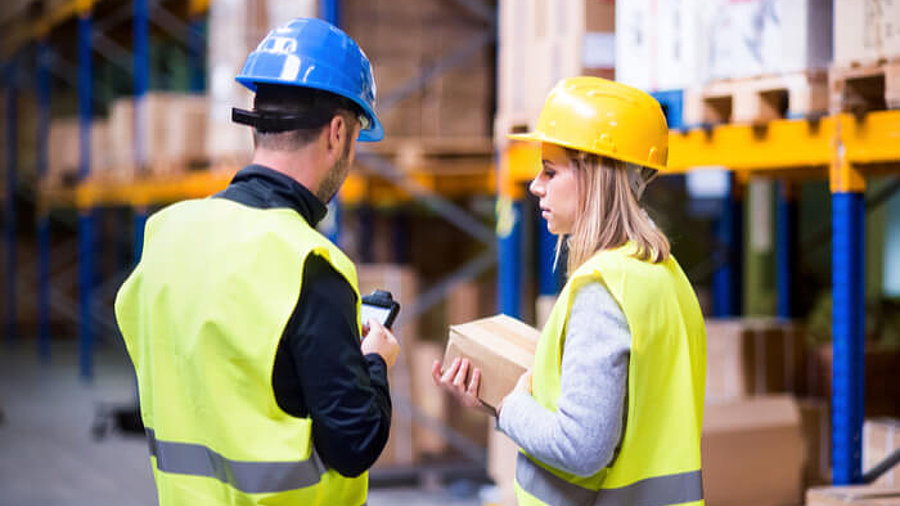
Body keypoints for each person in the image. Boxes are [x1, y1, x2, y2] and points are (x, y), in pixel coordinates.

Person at [115, 18, 400, 506]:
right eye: (355, 136)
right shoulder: (309, 263)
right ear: (337, 132)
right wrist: (373, 362)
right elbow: (354, 444)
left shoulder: (166, 234)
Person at [434, 76, 707, 505]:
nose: (535, 186)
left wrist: (509, 405)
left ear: (597, 176)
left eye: (550, 171)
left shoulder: (602, 290)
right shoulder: (666, 276)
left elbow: (583, 448)